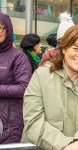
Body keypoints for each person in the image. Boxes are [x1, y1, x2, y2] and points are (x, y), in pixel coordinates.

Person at [22, 24, 78, 150]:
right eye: (76, 48)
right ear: (64, 48)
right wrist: (67, 146)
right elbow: (33, 122)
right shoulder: (41, 76)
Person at [0, 13, 32, 143]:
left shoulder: (18, 57)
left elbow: (24, 88)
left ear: (8, 30)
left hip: (9, 123)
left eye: (1, 26)